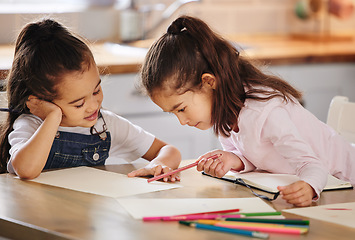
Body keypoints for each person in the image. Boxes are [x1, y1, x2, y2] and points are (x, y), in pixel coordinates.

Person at [139, 15, 355, 207]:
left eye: (182, 109)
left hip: (345, 182)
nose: (182, 121)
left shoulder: (266, 112)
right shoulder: (224, 115)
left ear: (209, 82)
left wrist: (308, 186)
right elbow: (260, 155)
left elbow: (311, 163)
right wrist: (233, 160)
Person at [0, 18, 181, 181]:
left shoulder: (105, 126)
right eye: (79, 103)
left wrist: (157, 165)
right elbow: (26, 170)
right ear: (39, 101)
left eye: (96, 91)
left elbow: (169, 151)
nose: (94, 106)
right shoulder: (31, 125)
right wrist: (52, 117)